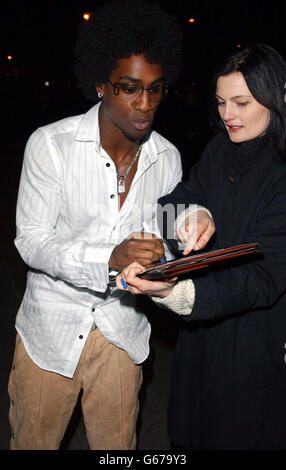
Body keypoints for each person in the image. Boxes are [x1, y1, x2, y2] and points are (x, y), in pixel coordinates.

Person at [8, 0, 215, 451]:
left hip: (123, 333)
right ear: (101, 84)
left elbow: (165, 238)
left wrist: (179, 240)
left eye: (156, 89)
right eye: (129, 88)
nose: (146, 104)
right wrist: (109, 257)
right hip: (51, 332)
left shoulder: (168, 157)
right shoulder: (51, 146)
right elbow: (32, 241)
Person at [116, 43, 286, 450]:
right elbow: (171, 202)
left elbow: (263, 277)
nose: (227, 115)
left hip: (255, 349)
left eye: (242, 103)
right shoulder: (220, 150)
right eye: (221, 102)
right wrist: (192, 212)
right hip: (200, 345)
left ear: (277, 98)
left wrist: (179, 292)